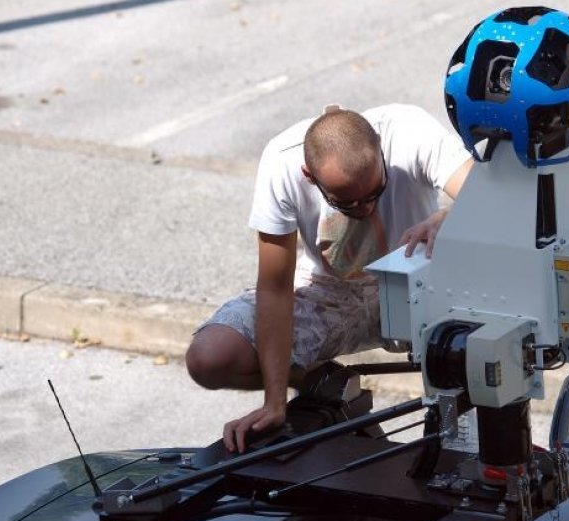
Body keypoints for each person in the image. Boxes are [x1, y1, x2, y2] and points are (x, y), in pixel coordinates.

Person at [186, 103, 472, 453]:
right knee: (209, 358)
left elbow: (485, 190)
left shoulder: (409, 130)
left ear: (382, 151)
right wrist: (274, 401)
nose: (365, 209)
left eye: (374, 194)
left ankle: (474, 450)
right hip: (330, 290)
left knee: (479, 348)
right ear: (309, 175)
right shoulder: (282, 160)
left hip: (415, 276)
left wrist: (448, 217)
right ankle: (324, 383)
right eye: (347, 204)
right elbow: (275, 287)